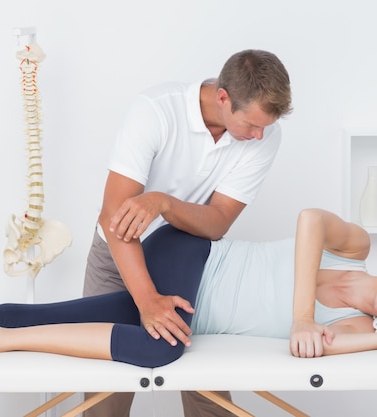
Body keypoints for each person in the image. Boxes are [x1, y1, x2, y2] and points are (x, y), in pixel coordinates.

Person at [0, 208, 377, 374]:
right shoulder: (354, 247)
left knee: (63, 314)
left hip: (181, 305)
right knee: (159, 350)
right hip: (190, 255)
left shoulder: (350, 327)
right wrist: (300, 315)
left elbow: (311, 346)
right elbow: (311, 219)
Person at [82, 49, 292, 416]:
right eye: (252, 125)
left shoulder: (265, 136)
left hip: (187, 262)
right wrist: (147, 300)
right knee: (106, 393)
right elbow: (114, 217)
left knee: (206, 386)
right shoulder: (155, 110)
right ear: (223, 97)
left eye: (265, 126)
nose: (259, 135)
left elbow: (218, 221)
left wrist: (163, 203)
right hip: (119, 256)